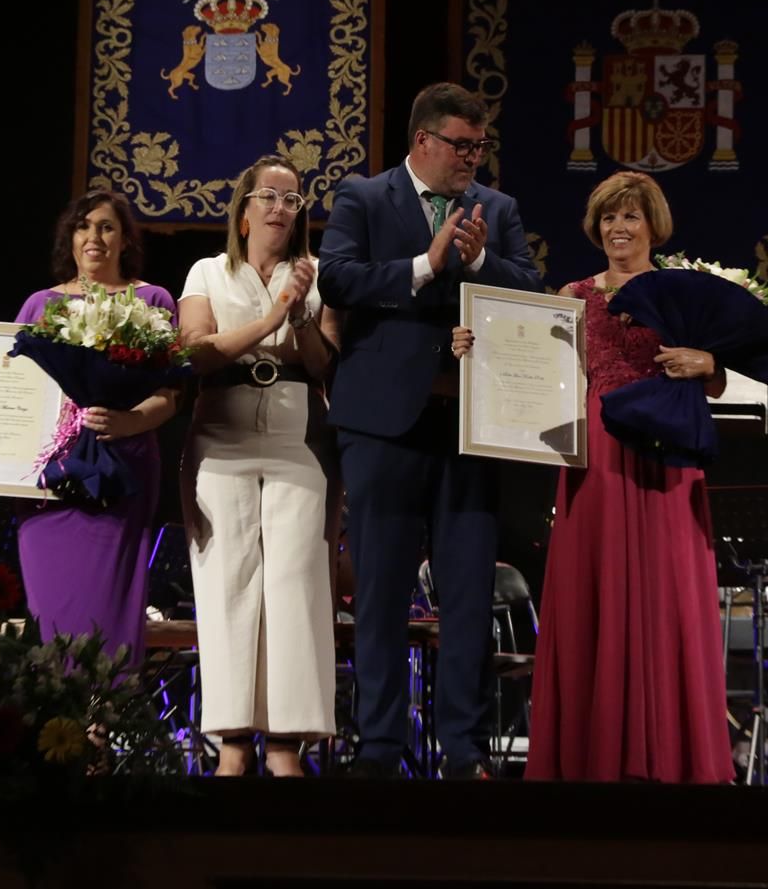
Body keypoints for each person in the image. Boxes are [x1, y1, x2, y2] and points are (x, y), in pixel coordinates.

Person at [454, 171, 734, 782]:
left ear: (652, 225)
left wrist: (708, 362)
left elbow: (718, 379)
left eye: (630, 217)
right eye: (609, 218)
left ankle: (671, 756)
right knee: (593, 592)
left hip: (665, 453)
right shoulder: (576, 294)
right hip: (597, 455)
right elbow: (537, 371)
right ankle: (592, 756)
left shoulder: (686, 291)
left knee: (668, 596)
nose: (619, 229)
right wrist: (478, 347)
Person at [317, 83, 541, 778]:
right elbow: (338, 277)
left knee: (468, 593)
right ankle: (379, 746)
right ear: (422, 141)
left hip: (468, 425)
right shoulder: (363, 196)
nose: (472, 158)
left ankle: (463, 748)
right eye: (460, 145)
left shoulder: (496, 210)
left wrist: (476, 262)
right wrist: (426, 264)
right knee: (381, 590)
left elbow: (530, 292)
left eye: (479, 146)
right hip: (382, 423)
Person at [178, 156, 343, 777]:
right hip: (221, 435)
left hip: (298, 437)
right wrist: (271, 317)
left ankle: (285, 743)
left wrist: (299, 316)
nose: (279, 208)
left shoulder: (318, 274)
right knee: (227, 583)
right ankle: (230, 743)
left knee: (296, 583)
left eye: (292, 199)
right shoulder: (207, 272)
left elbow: (325, 363)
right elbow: (195, 352)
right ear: (243, 210)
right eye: (268, 197)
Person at [4, 191, 179, 661]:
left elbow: (169, 396)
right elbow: (6, 388)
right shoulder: (39, 304)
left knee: (111, 611)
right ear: (70, 237)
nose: (94, 237)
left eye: (106, 227)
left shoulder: (153, 299)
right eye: (84, 226)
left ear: (124, 240)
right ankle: (59, 724)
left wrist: (128, 421)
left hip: (123, 474)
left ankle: (105, 724)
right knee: (52, 612)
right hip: (48, 482)